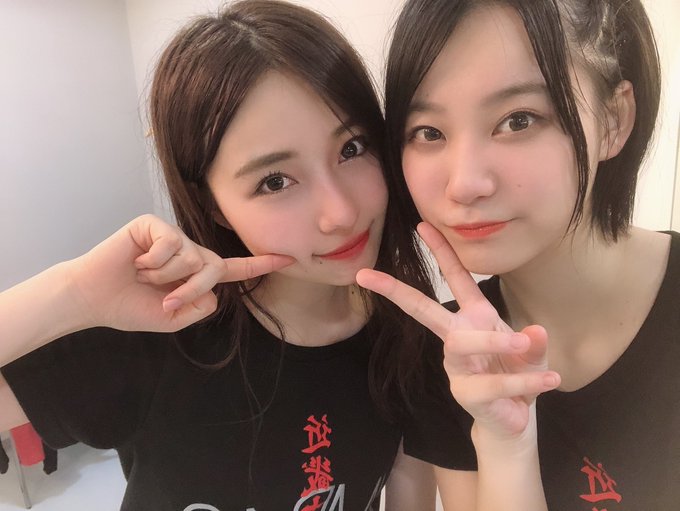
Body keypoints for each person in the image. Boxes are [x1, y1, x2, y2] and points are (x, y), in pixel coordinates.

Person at [0, 1, 472, 509]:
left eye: (352, 148)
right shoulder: (161, 330)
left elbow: (407, 491)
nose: (340, 212)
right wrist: (74, 294)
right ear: (214, 207)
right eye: (275, 181)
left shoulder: (407, 335)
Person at [357, 0, 676, 509]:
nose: (464, 184)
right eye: (429, 133)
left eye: (518, 120)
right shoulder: (451, 355)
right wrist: (506, 447)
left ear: (614, 120)